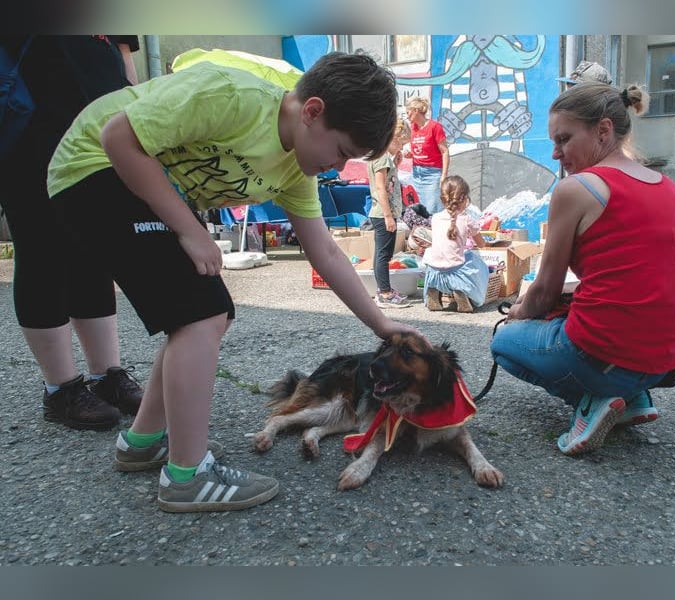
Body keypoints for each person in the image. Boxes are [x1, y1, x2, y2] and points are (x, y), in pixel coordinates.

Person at [46, 51, 423, 513]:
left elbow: (324, 251)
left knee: (206, 314)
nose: (336, 167)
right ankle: (187, 476)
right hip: (93, 165)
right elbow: (117, 136)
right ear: (312, 111)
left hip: (132, 181)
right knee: (201, 314)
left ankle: (143, 441)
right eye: (341, 152)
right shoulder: (231, 96)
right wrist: (188, 228)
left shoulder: (295, 167)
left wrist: (382, 326)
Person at [490, 81, 675, 456]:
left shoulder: (577, 188)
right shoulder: (666, 186)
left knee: (503, 342)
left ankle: (594, 399)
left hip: (602, 352)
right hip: (665, 359)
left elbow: (544, 292)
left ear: (603, 130)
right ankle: (633, 396)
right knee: (567, 321)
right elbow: (636, 276)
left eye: (563, 139)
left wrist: (517, 313)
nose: (555, 153)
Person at [0, 35, 143, 432]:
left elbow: (122, 46)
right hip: (28, 117)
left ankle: (107, 375)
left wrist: (131, 104)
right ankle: (60, 388)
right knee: (41, 245)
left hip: (98, 122)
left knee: (93, 247)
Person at [423, 175, 489, 313]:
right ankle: (460, 290)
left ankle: (433, 291)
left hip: (433, 268)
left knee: (434, 255)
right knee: (474, 260)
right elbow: (481, 244)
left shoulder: (435, 218)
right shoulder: (467, 219)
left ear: (442, 199)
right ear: (465, 199)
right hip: (455, 270)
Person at [368, 118, 411, 309]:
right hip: (382, 212)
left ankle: (383, 290)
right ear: (392, 138)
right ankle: (385, 293)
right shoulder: (382, 157)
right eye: (400, 142)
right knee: (384, 255)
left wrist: (396, 164)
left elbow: (388, 183)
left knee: (381, 253)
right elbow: (380, 187)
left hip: (382, 212)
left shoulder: (382, 157)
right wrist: (388, 215)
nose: (401, 146)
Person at [404, 96, 449, 215]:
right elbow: (420, 150)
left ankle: (434, 232)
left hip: (432, 173)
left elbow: (444, 152)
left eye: (408, 112)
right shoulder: (413, 128)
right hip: (416, 173)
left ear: (416, 111)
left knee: (432, 208)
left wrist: (443, 176)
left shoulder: (435, 127)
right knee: (418, 209)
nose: (407, 116)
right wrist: (411, 154)